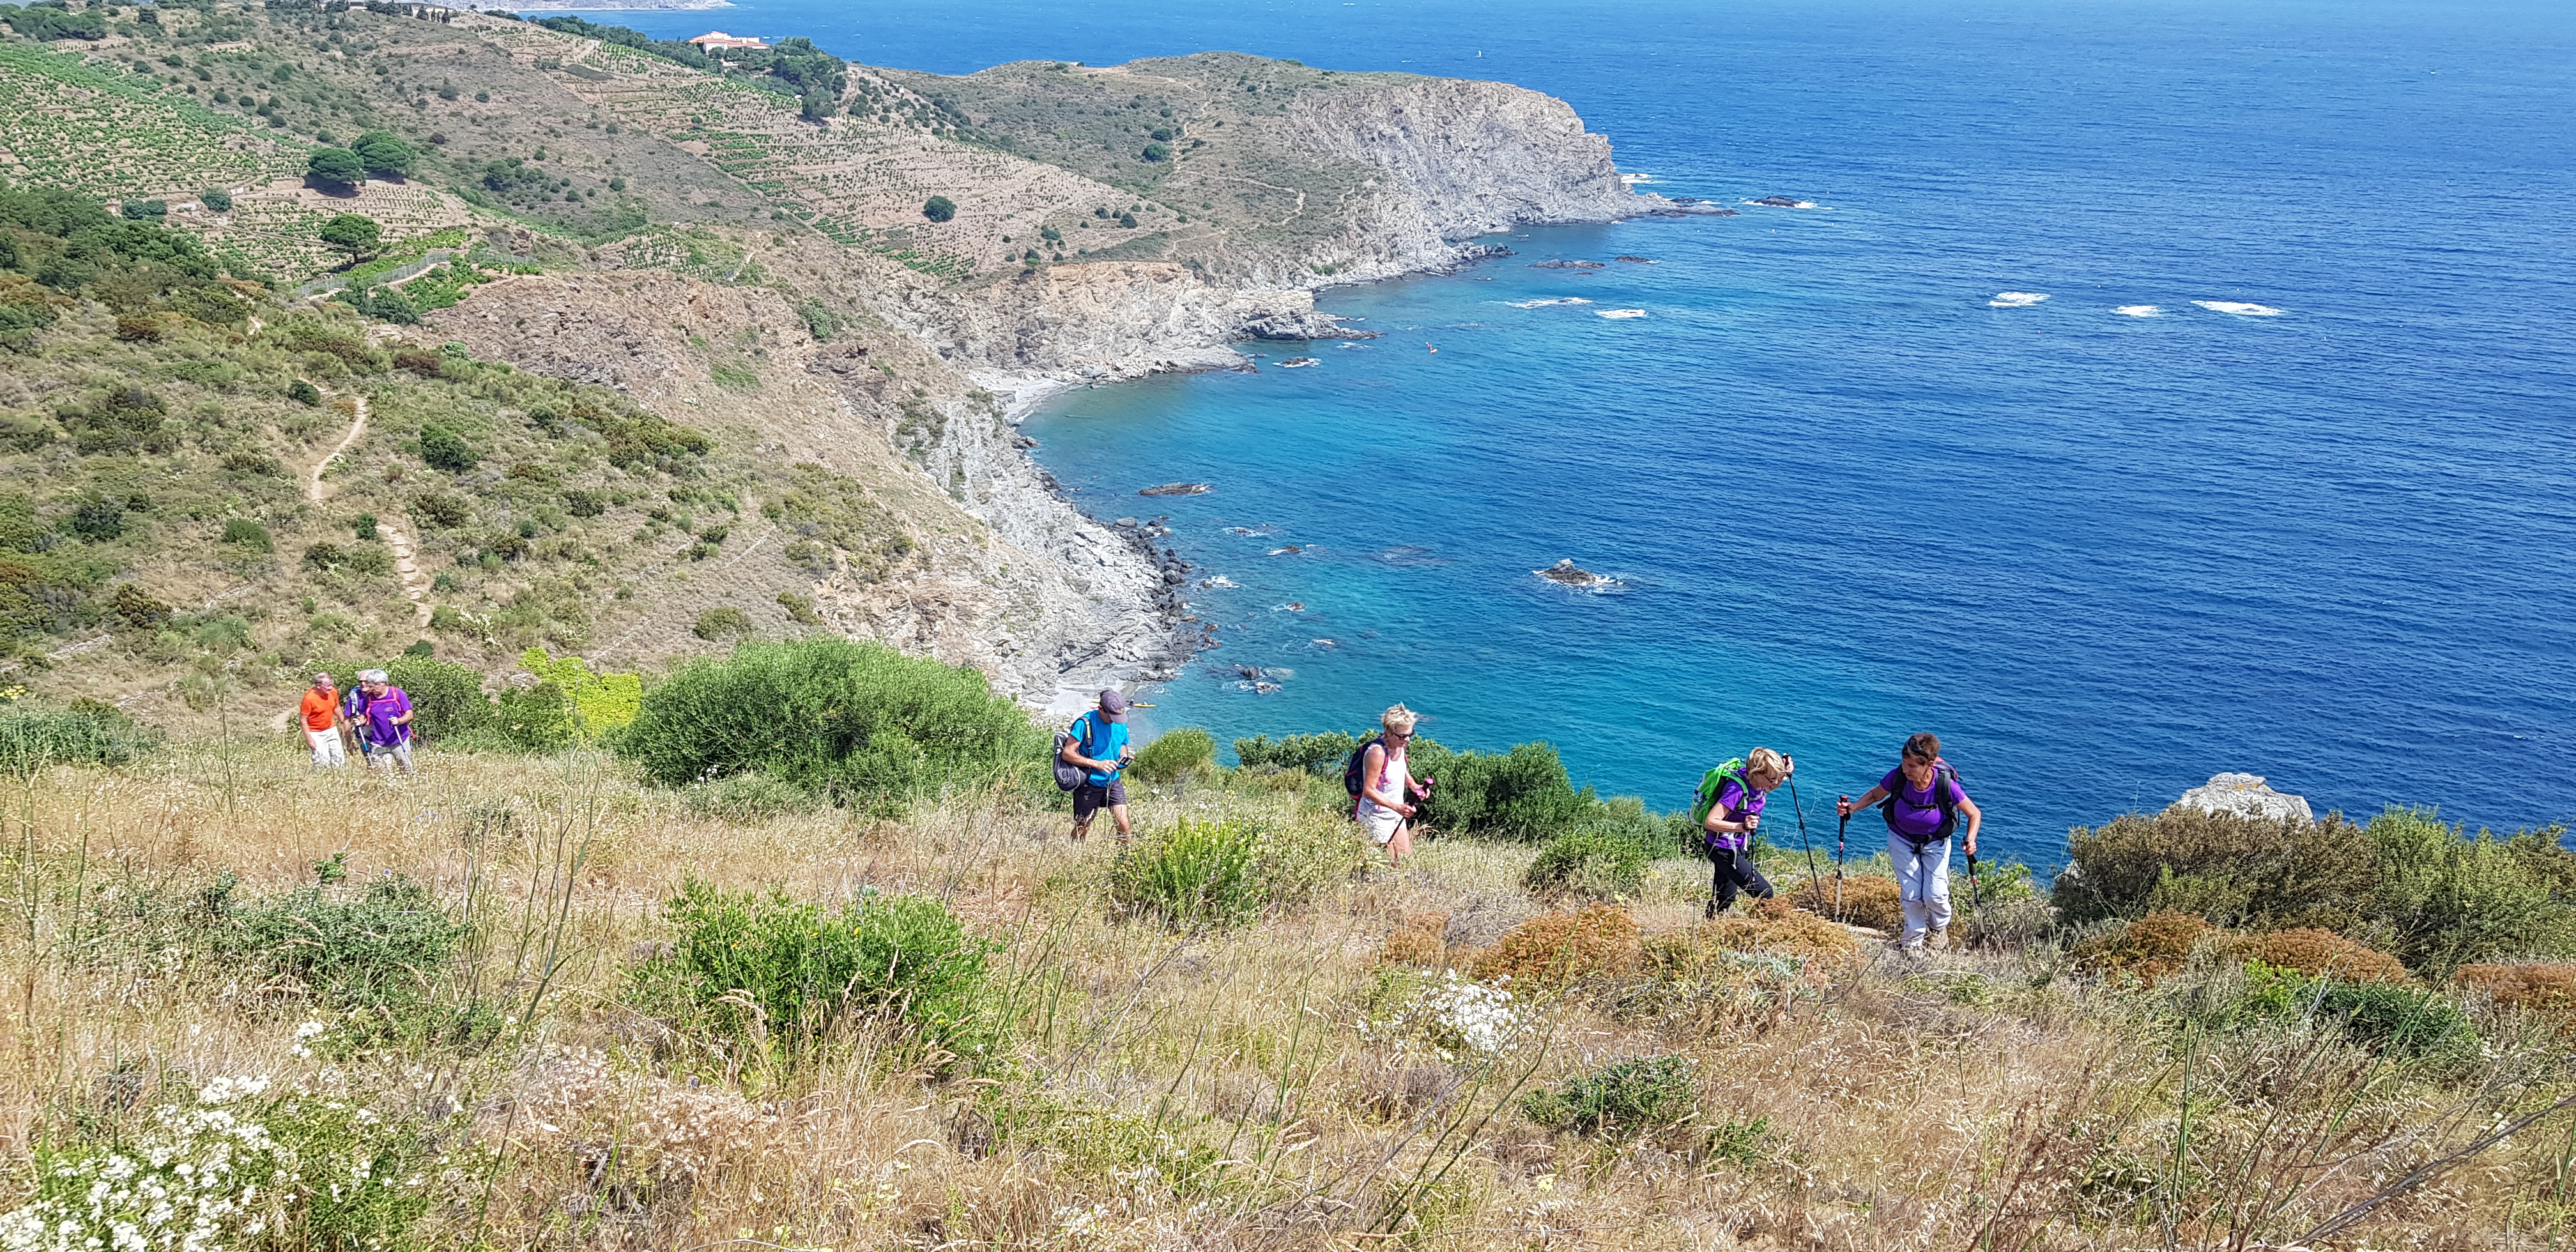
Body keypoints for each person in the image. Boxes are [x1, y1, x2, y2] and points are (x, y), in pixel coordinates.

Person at [1838, 732, 1981, 953]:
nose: (1907, 770)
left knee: (1936, 894)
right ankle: (1912, 945)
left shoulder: (1945, 785)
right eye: (1905, 764)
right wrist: (1853, 808)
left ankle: (1938, 929)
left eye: (1913, 766)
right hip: (1901, 839)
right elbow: (1876, 795)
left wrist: (1971, 840)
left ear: (1930, 765)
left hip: (1936, 843)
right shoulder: (1898, 777)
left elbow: (1974, 814)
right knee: (1912, 894)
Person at [1699, 747, 1791, 919]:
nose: (1774, 784)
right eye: (1771, 779)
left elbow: (1768, 787)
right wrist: (1742, 826)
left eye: (1777, 779)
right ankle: (1767, 931)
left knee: (1724, 896)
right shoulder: (1736, 790)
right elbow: (1710, 822)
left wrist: (1784, 774)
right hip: (1723, 849)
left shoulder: (1756, 783)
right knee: (1765, 893)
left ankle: (1707, 929)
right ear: (1757, 773)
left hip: (1735, 847)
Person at [1355, 704, 1431, 866]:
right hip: (1375, 817)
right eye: (1403, 736)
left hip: (1396, 814)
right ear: (1389, 731)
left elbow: (1400, 768)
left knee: (1405, 862)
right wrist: (1397, 807)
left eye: (1411, 734)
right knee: (1378, 865)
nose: (1408, 740)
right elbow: (1368, 790)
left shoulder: (1400, 745)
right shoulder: (1377, 753)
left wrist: (1414, 785)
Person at [1060, 689, 1134, 841]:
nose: (1115, 720)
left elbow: (1123, 744)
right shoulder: (1084, 723)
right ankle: (1075, 853)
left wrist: (1124, 758)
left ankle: (1126, 858)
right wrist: (1096, 764)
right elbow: (1067, 753)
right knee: (1083, 825)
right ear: (1101, 709)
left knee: (1124, 823)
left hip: (1113, 780)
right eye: (1112, 717)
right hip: (1089, 783)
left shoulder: (1119, 721)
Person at [350, 669, 416, 774]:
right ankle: (389, 789)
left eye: (373, 686)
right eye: (370, 686)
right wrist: (359, 721)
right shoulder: (370, 698)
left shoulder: (397, 694)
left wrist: (399, 721)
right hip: (379, 741)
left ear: (383, 683)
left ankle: (409, 787)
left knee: (406, 769)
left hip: (398, 739)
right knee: (381, 772)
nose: (371, 689)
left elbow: (409, 714)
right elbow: (366, 716)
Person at [295, 673, 347, 768]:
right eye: (328, 686)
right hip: (315, 732)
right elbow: (303, 720)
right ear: (318, 686)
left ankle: (339, 778)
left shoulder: (333, 692)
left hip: (331, 729)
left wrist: (344, 722)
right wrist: (310, 740)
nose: (331, 688)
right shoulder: (309, 698)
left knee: (339, 758)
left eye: (332, 685)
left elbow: (336, 707)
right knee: (322, 761)